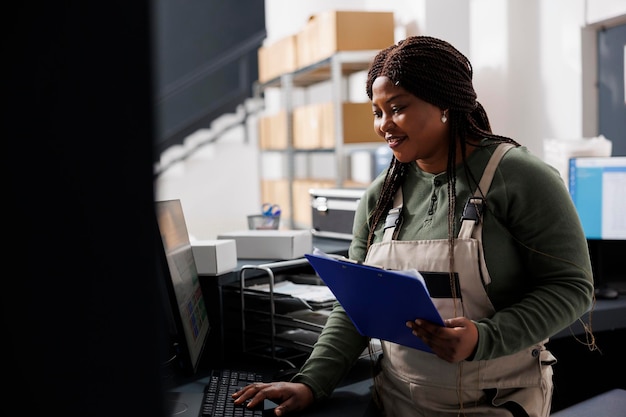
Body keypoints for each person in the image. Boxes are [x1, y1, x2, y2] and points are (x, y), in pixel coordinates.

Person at [233, 35, 595, 416]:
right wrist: (311, 381)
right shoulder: (380, 196)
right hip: (396, 401)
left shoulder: (520, 177)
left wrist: (482, 339)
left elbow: (572, 287)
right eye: (377, 112)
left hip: (494, 402)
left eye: (398, 108)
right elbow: (356, 305)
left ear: (444, 104)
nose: (384, 125)